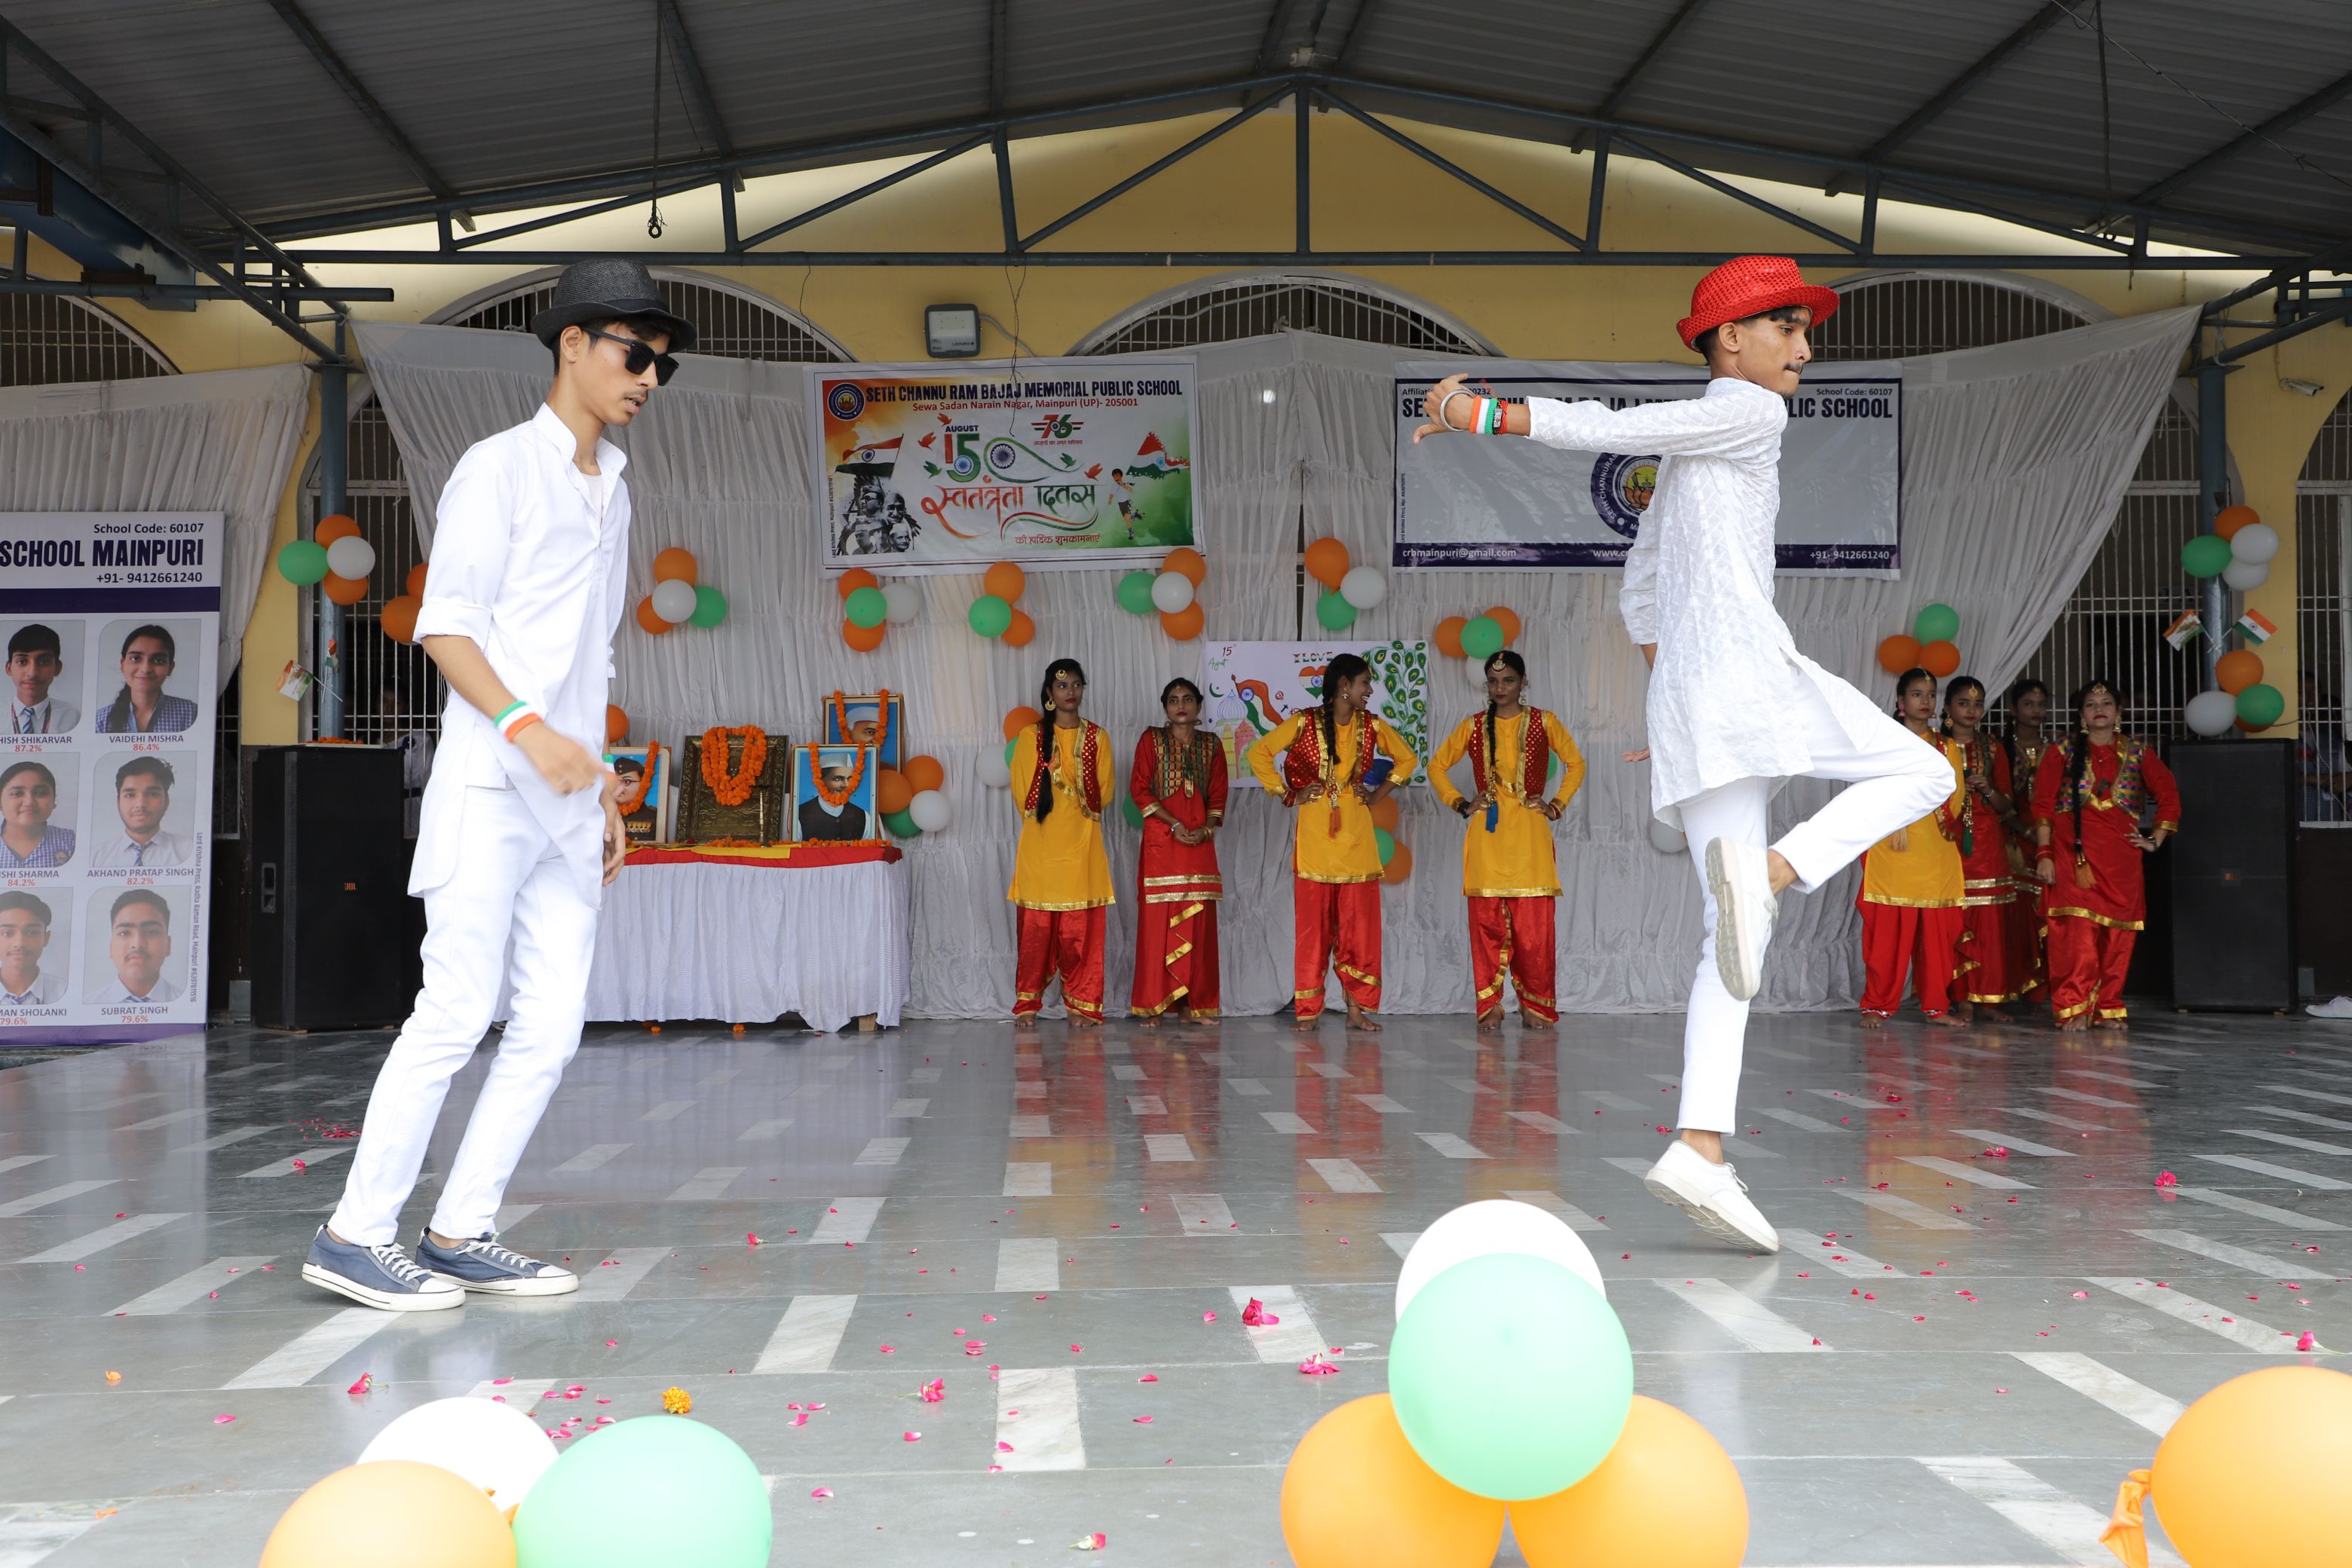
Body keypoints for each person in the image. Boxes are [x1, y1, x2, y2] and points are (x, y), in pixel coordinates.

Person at [1414, 255, 1955, 1253]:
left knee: (1727, 940)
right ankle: (1778, 871)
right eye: (1787, 328)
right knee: (1927, 770)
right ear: (1731, 340)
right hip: (1748, 677)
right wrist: (1481, 414)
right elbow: (1614, 429)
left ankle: (1702, 1145)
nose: (1805, 349)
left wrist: (1677, 704)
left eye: (1804, 330)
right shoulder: (1750, 414)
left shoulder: (1695, 459)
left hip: (1702, 702)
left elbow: (1641, 591)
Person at [307, 259, 692, 1312]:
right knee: (456, 1008)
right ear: (573, 343)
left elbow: (591, 653)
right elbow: (446, 626)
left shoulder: (614, 488)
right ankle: (353, 1234)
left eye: (661, 365)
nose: (648, 378)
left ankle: (460, 1228)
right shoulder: (498, 467)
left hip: (566, 797)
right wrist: (529, 731)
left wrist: (598, 787)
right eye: (635, 354)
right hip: (488, 783)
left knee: (552, 1026)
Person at [1246, 652, 1417, 1032]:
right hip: (1316, 838)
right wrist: (1287, 794)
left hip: (1357, 837)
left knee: (1358, 930)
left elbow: (1407, 759)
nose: (1369, 690)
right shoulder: (1304, 722)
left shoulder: (1371, 725)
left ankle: (1356, 1011)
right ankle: (1309, 1012)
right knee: (1314, 930)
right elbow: (1258, 753)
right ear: (1344, 685)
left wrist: (1378, 794)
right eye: (1364, 683)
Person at [1427, 650, 1587, 1029]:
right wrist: (1462, 803)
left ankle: (1535, 1006)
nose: (1501, 688)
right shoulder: (1473, 726)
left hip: (1530, 833)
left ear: (1523, 683)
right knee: (1486, 926)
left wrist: (1556, 805)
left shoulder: (1544, 722)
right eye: (1494, 682)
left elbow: (1576, 763)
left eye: (1509, 680)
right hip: (1488, 835)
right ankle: (1491, 1007)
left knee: (1534, 930)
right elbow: (1436, 766)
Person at [2032, 678, 2179, 1031]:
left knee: (2118, 937)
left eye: (2107, 703)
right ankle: (2074, 1007)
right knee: (2077, 935)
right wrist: (2045, 854)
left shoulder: (2139, 752)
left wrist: (2155, 839)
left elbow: (2169, 795)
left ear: (2119, 711)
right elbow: (2043, 805)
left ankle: (2108, 1007)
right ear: (2081, 714)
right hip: (2073, 857)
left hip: (2121, 862)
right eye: (2091, 704)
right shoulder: (2061, 751)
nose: (2099, 709)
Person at [1855, 669, 1967, 1028]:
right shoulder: (1883, 743)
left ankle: (1936, 1006)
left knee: (1937, 936)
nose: (1926, 701)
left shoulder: (1947, 747)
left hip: (1934, 849)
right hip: (1892, 847)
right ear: (1901, 702)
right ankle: (1877, 1005)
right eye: (1917, 694)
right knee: (1886, 937)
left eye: (1931, 695)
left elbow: (1954, 796)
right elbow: (1868, 791)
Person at [1009, 658, 1116, 1026]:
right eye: (1062, 686)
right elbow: (1022, 794)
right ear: (1049, 693)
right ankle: (1027, 1004)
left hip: (1083, 846)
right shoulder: (1031, 737)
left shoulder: (1098, 737)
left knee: (1080, 932)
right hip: (1041, 847)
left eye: (1076, 684)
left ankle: (1082, 1004)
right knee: (1036, 931)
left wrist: (1072, 787)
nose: (1070, 692)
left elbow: (1105, 792)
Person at [1129, 677, 1227, 1024]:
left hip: (1199, 845)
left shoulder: (1212, 745)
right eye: (1173, 700)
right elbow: (1139, 790)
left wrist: (1206, 829)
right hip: (1163, 843)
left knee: (1199, 927)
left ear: (1199, 705)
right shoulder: (1151, 740)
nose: (1181, 705)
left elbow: (1218, 796)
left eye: (1187, 699)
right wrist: (1174, 824)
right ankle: (1154, 1006)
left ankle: (1192, 1007)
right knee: (1157, 926)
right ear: (1165, 707)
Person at [1937, 675, 2029, 1018]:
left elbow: (2007, 806)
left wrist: (1987, 789)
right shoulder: (1935, 747)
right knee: (1955, 919)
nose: (1972, 710)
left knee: (1990, 921)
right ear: (1948, 708)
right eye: (1963, 703)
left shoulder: (1992, 748)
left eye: (1978, 704)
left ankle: (1989, 998)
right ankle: (1960, 998)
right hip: (1946, 840)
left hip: (1988, 842)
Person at [2001, 677, 2055, 998]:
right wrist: (2026, 831)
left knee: (2048, 911)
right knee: (2016, 915)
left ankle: (2043, 989)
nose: (2036, 710)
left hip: (2049, 842)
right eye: (2028, 704)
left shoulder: (2056, 750)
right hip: (2013, 841)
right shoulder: (2002, 750)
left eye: (2041, 704)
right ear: (2013, 709)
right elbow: (1998, 801)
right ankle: (2013, 985)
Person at [90, 756, 191, 869]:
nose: (141, 804)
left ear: (166, 801)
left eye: (152, 794)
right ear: (118, 802)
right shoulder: (95, 857)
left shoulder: (189, 851)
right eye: (130, 795)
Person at [93, 625, 196, 734]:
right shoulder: (100, 721)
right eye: (136, 658)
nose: (146, 669)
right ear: (123, 665)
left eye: (158, 660)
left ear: (170, 668)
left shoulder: (191, 714)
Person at [92, 889, 178, 1005]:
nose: (137, 944)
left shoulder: (186, 1004)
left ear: (168, 945)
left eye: (151, 932)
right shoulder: (89, 1005)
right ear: (111, 947)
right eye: (125, 933)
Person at [0, 761, 73, 868]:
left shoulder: (71, 841)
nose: (29, 802)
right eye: (17, 793)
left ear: (54, 800)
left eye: (41, 793)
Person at [6, 625, 78, 733]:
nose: (32, 673)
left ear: (57, 668)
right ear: (9, 668)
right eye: (22, 662)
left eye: (44, 662)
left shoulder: (71, 717)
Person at [0, 892, 63, 1006]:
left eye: (32, 932)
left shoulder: (64, 992)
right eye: (7, 933)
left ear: (46, 938)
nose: (19, 943)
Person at [797, 752, 870, 841]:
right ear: (821, 781)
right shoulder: (799, 815)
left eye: (849, 779)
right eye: (838, 779)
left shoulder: (863, 816)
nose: (846, 785)